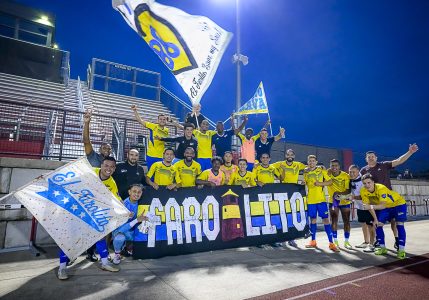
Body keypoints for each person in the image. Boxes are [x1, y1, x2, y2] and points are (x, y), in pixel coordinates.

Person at [57, 157, 121, 280]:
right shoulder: (89, 172)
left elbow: (116, 199)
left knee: (100, 234)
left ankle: (105, 263)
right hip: (76, 209)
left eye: (112, 167)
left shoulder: (112, 182)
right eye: (106, 165)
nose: (109, 169)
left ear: (114, 169)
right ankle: (62, 267)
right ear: (101, 165)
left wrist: (124, 211)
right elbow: (69, 180)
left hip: (92, 212)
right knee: (69, 237)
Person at [360, 144, 419, 249]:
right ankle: (378, 243)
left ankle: (397, 240)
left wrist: (410, 152)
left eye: (372, 156)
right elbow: (358, 183)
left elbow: (399, 161)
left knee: (394, 223)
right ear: (366, 159)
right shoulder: (363, 170)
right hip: (375, 200)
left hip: (388, 199)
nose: (371, 158)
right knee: (376, 222)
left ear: (376, 158)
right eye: (369, 157)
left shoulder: (383, 165)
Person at [82, 109, 112, 261]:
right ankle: (87, 251)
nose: (107, 150)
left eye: (109, 148)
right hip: (89, 196)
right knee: (88, 226)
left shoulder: (111, 165)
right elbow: (86, 141)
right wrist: (87, 123)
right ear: (100, 149)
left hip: (103, 199)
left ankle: (98, 252)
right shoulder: (93, 156)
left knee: (100, 228)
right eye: (105, 148)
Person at [360, 174, 408, 259]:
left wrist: (370, 206)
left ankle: (401, 250)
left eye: (369, 182)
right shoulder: (363, 191)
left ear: (373, 182)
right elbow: (369, 207)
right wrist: (375, 219)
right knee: (378, 225)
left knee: (399, 225)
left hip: (398, 204)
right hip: (387, 207)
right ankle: (382, 248)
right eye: (364, 183)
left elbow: (381, 206)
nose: (367, 185)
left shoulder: (381, 188)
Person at [303, 155, 339, 252]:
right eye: (309, 161)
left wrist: (320, 184)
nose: (311, 162)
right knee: (313, 220)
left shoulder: (322, 170)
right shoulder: (306, 172)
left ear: (316, 162)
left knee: (326, 220)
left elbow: (330, 181)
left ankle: (331, 243)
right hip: (311, 200)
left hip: (321, 200)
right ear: (308, 162)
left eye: (313, 161)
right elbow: (305, 183)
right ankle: (313, 241)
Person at [273, 149, 306, 247]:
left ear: (294, 156)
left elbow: (309, 167)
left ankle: (291, 239)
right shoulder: (280, 164)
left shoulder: (298, 164)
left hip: (294, 193)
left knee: (292, 216)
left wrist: (319, 167)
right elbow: (269, 166)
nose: (289, 156)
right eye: (288, 154)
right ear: (285, 156)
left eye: (291, 154)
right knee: (282, 215)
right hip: (283, 192)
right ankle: (281, 238)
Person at [132, 104, 179, 170]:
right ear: (158, 120)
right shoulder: (153, 126)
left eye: (164, 119)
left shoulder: (166, 130)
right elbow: (140, 121)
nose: (162, 120)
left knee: (159, 175)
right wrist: (135, 111)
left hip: (161, 156)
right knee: (151, 175)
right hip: (151, 155)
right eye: (160, 119)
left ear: (166, 121)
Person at [112, 184, 148, 265]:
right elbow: (120, 229)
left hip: (134, 230)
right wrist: (136, 220)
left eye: (139, 192)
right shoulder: (123, 205)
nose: (136, 194)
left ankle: (129, 248)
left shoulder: (142, 203)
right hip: (121, 230)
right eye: (134, 191)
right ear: (129, 192)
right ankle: (117, 253)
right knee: (119, 238)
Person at [349, 165, 376, 253]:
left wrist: (353, 197)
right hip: (359, 206)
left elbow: (365, 195)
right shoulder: (351, 180)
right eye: (350, 172)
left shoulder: (363, 180)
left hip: (368, 206)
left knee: (370, 225)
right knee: (363, 224)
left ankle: (373, 243)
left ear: (358, 172)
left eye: (354, 172)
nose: (351, 173)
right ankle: (366, 241)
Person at [327, 159, 352, 249]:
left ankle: (346, 241)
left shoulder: (345, 175)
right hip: (333, 202)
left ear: (339, 166)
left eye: (336, 165)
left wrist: (340, 195)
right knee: (333, 221)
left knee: (346, 221)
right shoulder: (327, 174)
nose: (334, 167)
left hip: (344, 201)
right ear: (330, 166)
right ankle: (335, 241)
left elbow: (348, 190)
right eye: (332, 165)